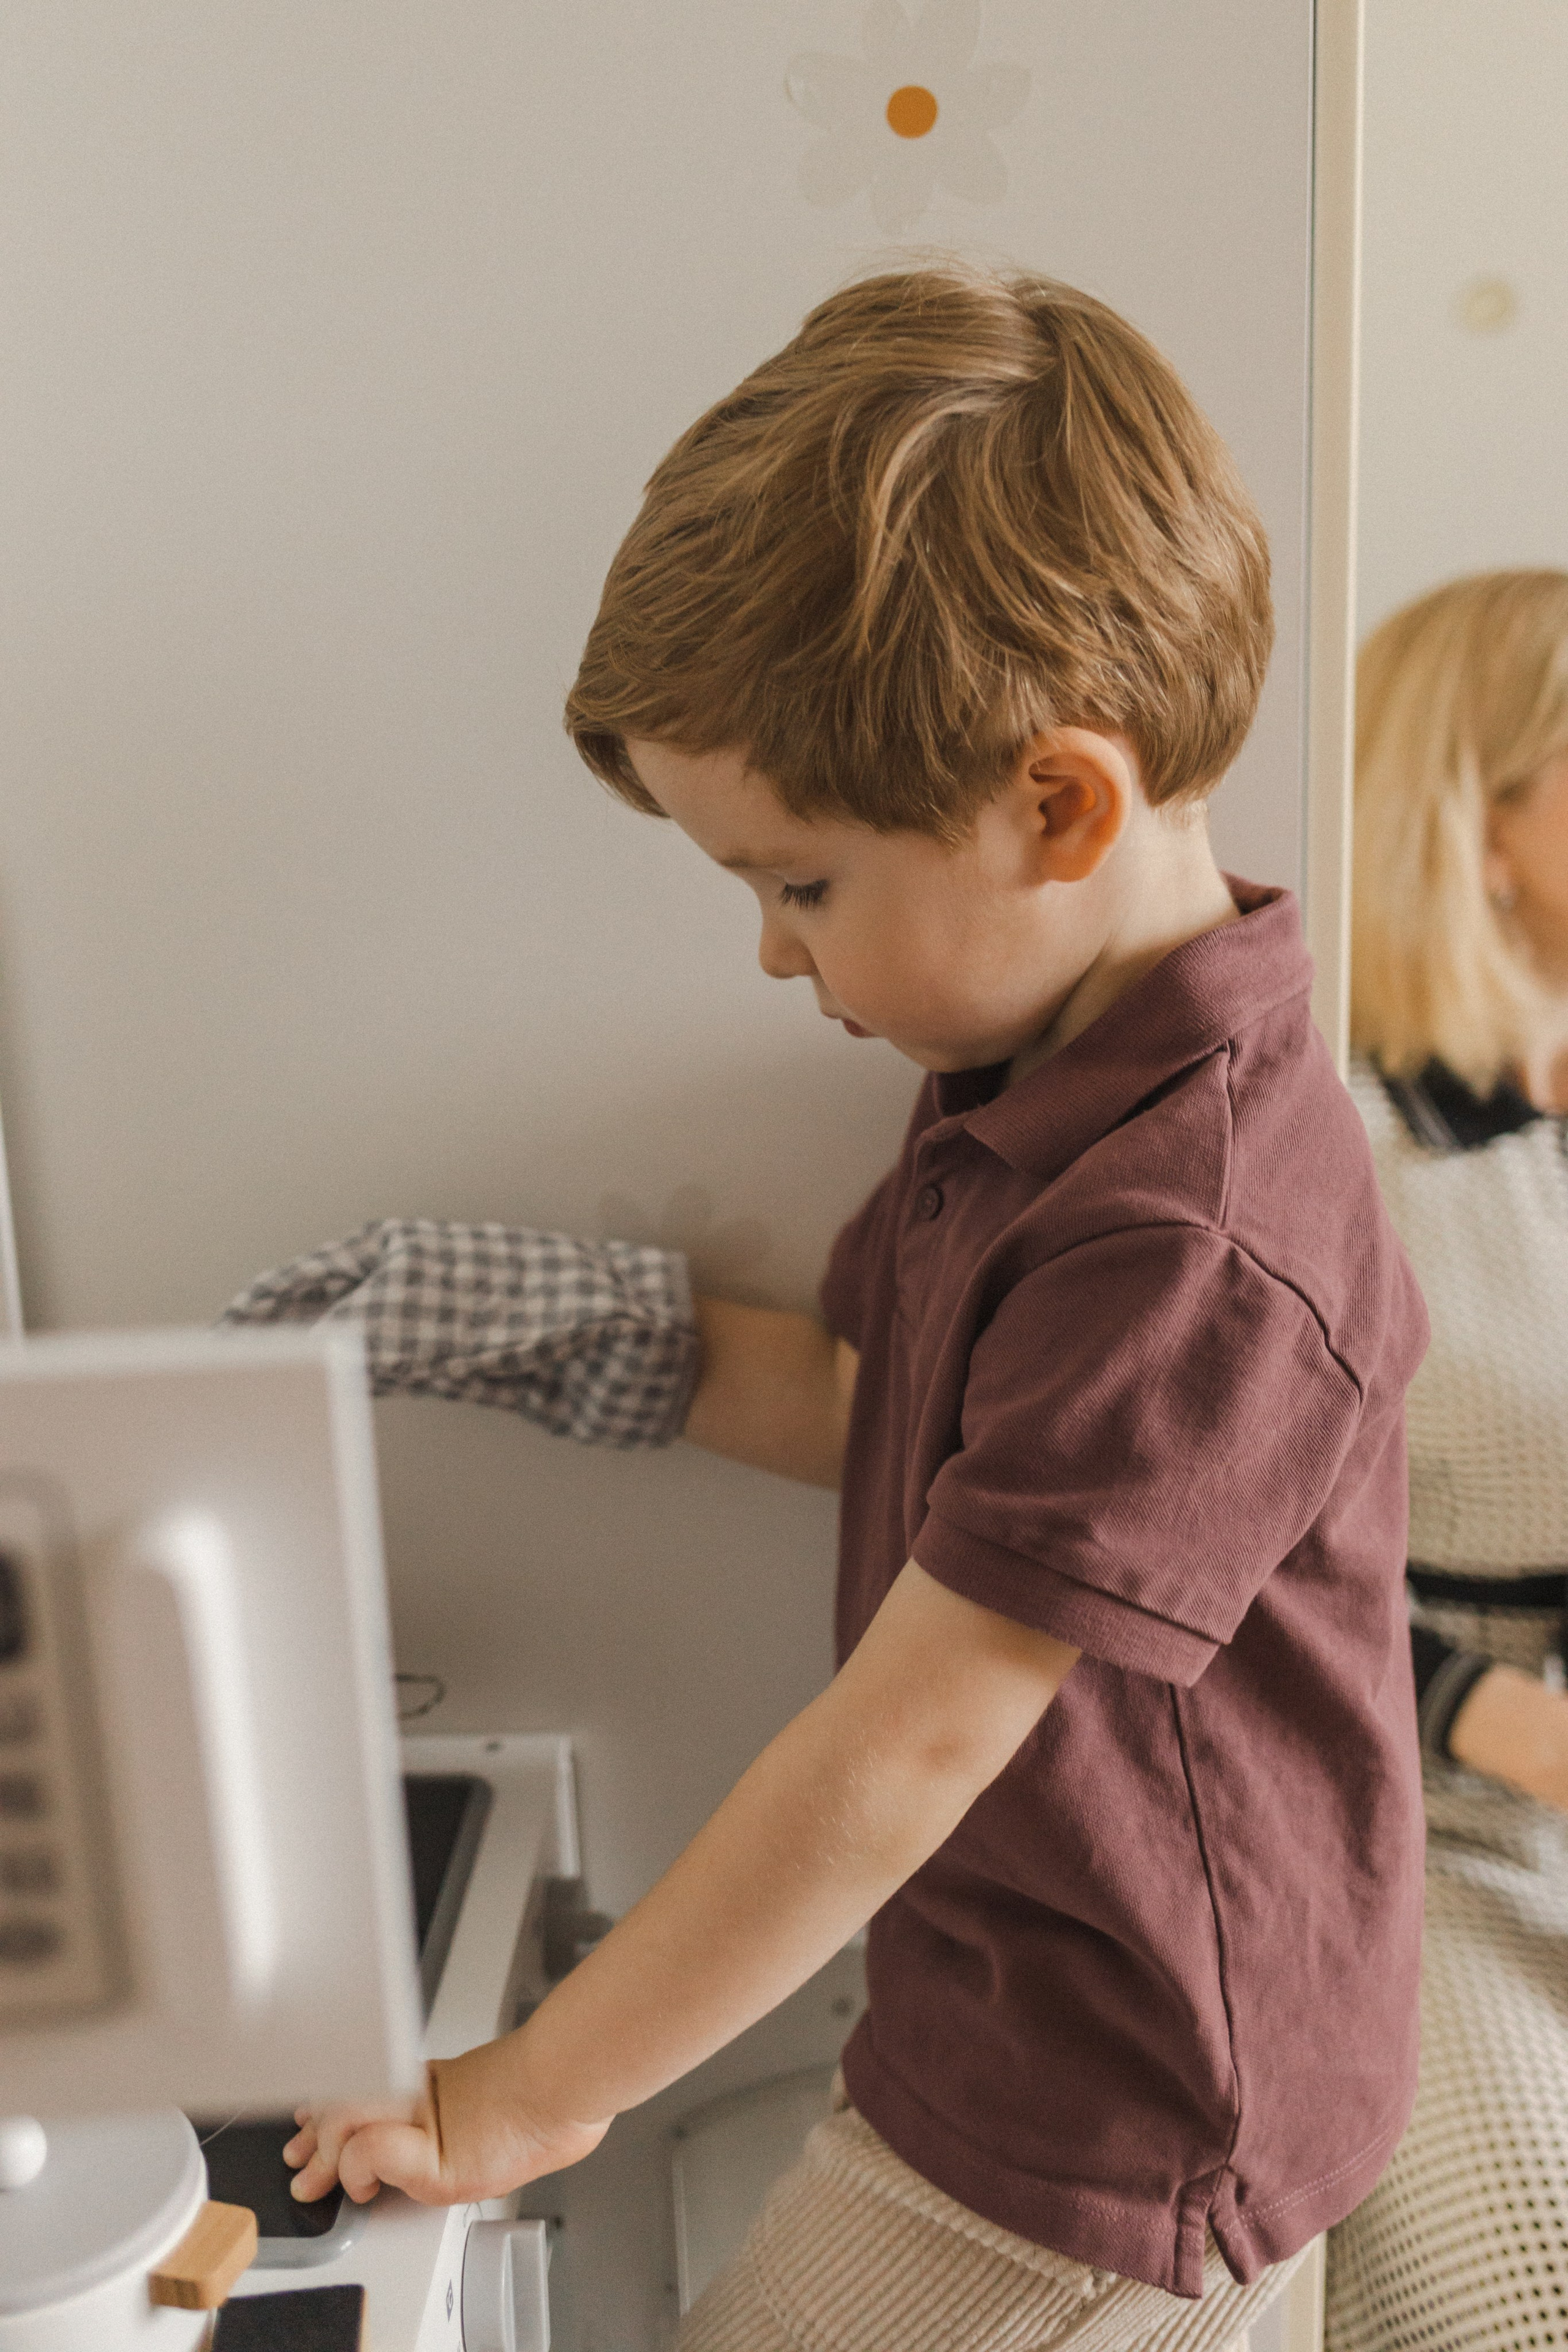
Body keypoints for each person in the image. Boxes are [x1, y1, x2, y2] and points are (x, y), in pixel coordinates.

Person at [271, 268, 1430, 2352]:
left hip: (1122, 2133)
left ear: (1056, 807)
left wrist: (533, 2094)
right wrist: (572, 1331)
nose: (775, 960)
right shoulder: (1020, 1087)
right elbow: (876, 1404)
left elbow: (909, 1745)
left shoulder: (1197, 1233)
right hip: (1014, 2029)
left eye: (799, 885)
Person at [1327, 570, 1568, 2352]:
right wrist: (1499, 1716)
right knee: (1528, 2289)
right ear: (1482, 827)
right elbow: (1217, 1563)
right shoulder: (1341, 1144)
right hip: (1432, 1821)